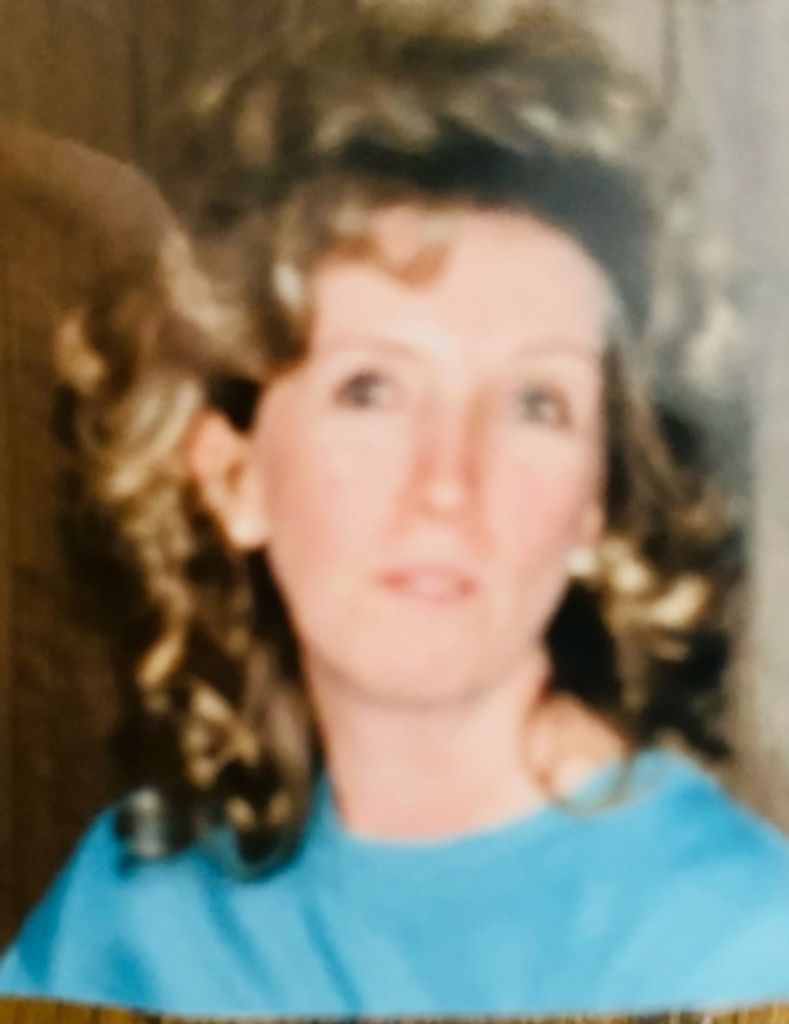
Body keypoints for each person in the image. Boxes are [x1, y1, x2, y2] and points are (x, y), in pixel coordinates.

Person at [3, 0, 789, 1016]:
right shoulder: (131, 917)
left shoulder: (734, 944)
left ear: (598, 501)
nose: (447, 481)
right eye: (370, 389)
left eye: (534, 402)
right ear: (232, 476)